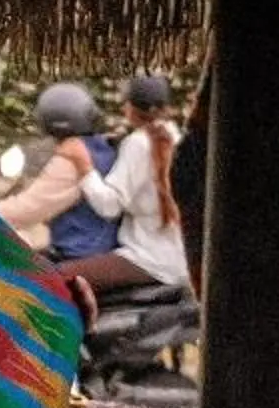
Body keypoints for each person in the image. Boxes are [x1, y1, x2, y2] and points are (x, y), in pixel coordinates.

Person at [65, 71, 192, 296]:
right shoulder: (175, 137)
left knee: (56, 279)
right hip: (179, 258)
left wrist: (83, 166)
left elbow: (110, 207)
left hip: (148, 259)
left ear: (131, 109)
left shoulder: (137, 144)